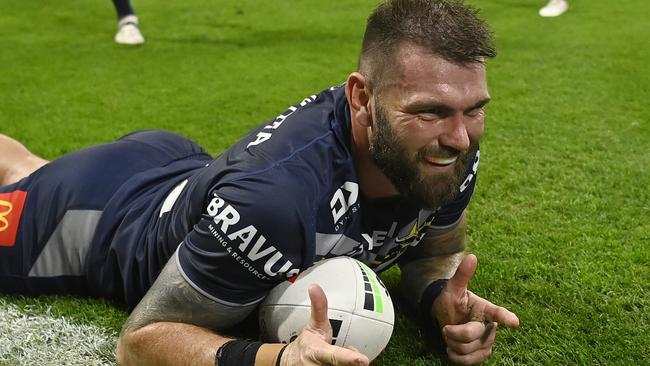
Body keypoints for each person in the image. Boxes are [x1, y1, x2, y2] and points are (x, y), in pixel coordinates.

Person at [0, 0, 520, 365]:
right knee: (30, 179)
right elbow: (141, 342)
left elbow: (432, 254)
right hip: (88, 219)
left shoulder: (443, 153)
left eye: (474, 110)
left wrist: (437, 299)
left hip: (179, 170)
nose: (458, 137)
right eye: (430, 112)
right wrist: (277, 360)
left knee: (27, 169)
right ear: (361, 99)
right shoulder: (277, 201)